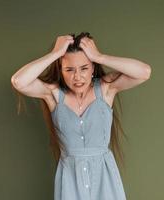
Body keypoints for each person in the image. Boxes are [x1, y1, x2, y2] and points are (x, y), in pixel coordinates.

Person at [11, 32, 151, 200]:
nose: (77, 77)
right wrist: (55, 54)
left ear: (93, 67)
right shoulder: (54, 95)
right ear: (61, 70)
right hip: (70, 181)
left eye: (84, 68)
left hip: (105, 181)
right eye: (69, 69)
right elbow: (18, 81)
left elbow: (144, 72)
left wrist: (100, 57)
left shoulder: (106, 89)